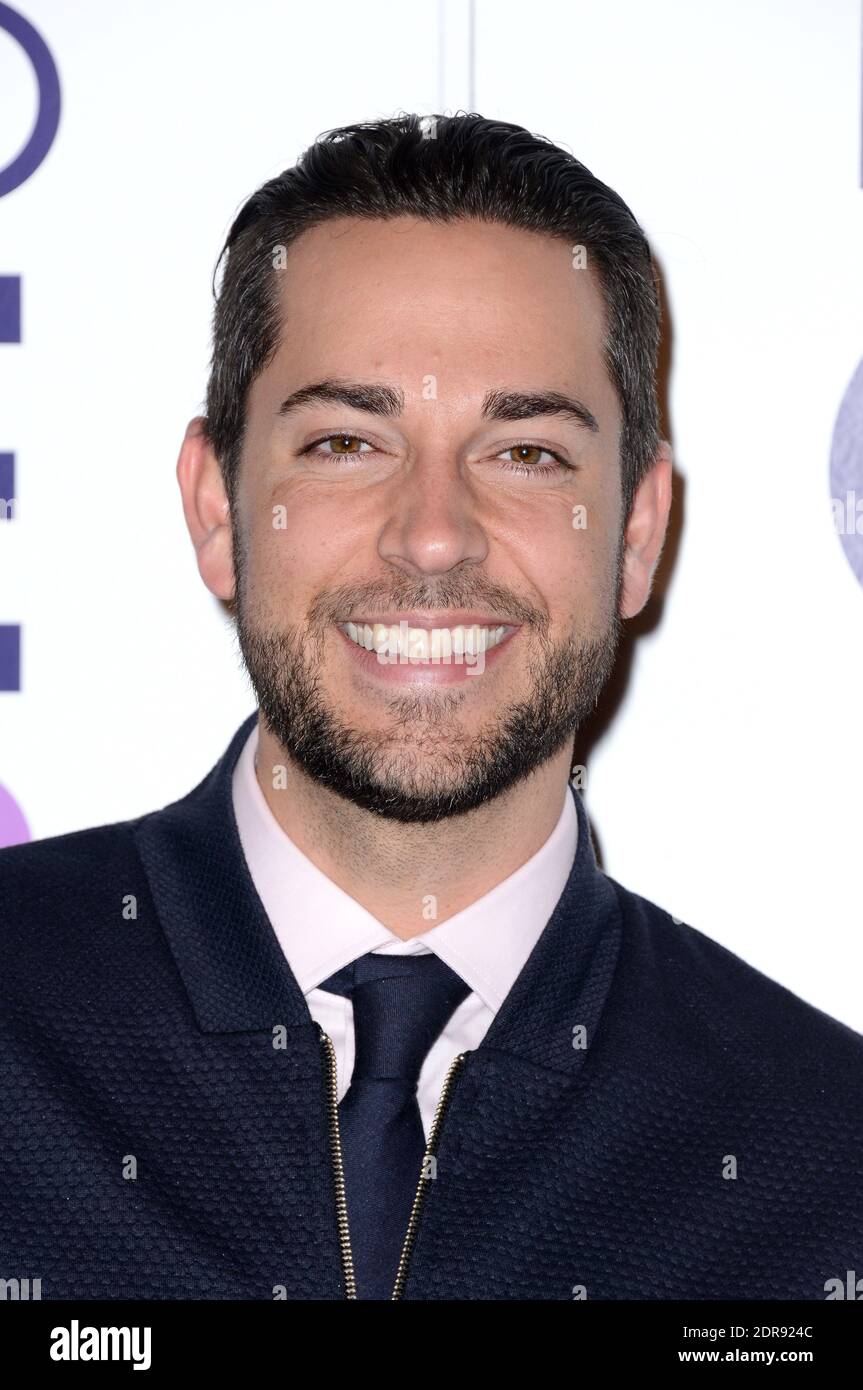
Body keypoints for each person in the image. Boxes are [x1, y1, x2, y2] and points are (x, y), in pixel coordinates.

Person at [1, 113, 861, 1303]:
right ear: (215, 509)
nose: (432, 535)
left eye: (526, 455)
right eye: (348, 441)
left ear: (636, 534)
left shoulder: (822, 1164)